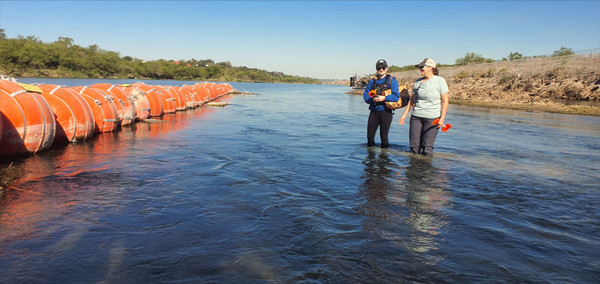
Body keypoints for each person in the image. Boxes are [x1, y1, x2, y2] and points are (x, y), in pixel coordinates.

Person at [399, 58, 449, 156]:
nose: (420, 69)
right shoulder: (418, 82)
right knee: (414, 148)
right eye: (420, 67)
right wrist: (404, 116)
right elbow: (412, 101)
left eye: (422, 67)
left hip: (432, 118)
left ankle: (426, 170)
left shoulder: (440, 81)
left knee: (427, 148)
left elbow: (445, 101)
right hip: (416, 117)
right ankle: (413, 169)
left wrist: (442, 119)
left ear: (431, 67)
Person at [363, 59, 400, 148]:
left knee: (384, 136)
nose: (381, 70)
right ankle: (370, 158)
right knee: (370, 136)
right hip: (374, 112)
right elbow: (366, 97)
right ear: (376, 69)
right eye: (379, 68)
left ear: (386, 68)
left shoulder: (392, 80)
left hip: (386, 112)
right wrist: (373, 99)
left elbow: (396, 97)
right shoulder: (372, 81)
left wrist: (384, 98)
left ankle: (384, 158)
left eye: (383, 67)